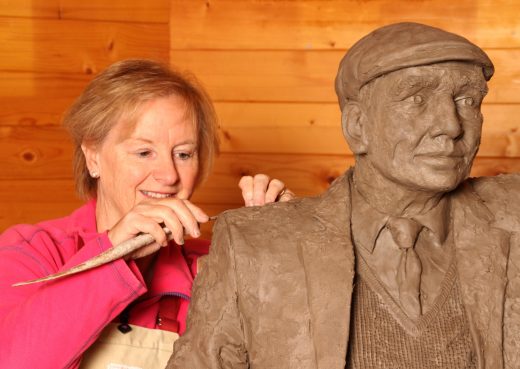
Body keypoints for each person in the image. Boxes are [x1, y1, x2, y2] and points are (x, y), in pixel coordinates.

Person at [168, 23, 520, 369]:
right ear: (358, 126)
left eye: (467, 100)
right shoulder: (255, 245)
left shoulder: (513, 216)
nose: (452, 125)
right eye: (417, 98)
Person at [0, 59, 294, 369]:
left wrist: (280, 259)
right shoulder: (32, 253)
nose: (168, 175)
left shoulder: (216, 266)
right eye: (143, 152)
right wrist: (114, 255)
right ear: (93, 157)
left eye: (183, 154)